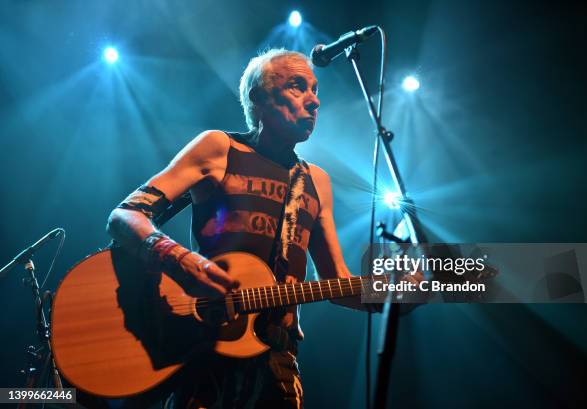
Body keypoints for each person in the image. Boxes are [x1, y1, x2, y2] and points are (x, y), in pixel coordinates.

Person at [106, 48, 421, 409]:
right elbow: (125, 216)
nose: (314, 101)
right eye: (298, 87)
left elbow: (338, 284)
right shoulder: (218, 148)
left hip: (276, 360)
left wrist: (395, 296)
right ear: (258, 97)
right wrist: (181, 261)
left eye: (316, 90)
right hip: (206, 355)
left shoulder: (315, 180)